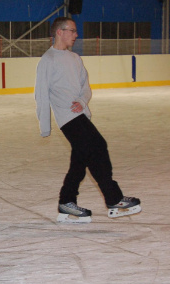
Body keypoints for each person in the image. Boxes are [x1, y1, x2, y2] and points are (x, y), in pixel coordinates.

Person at [34, 17, 141, 223]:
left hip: (80, 113)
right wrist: (45, 126)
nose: (76, 35)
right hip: (67, 118)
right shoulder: (48, 60)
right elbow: (41, 94)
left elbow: (86, 86)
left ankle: (67, 202)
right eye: (72, 31)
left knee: (81, 157)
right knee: (97, 146)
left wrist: (82, 100)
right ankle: (114, 199)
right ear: (59, 32)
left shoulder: (75, 58)